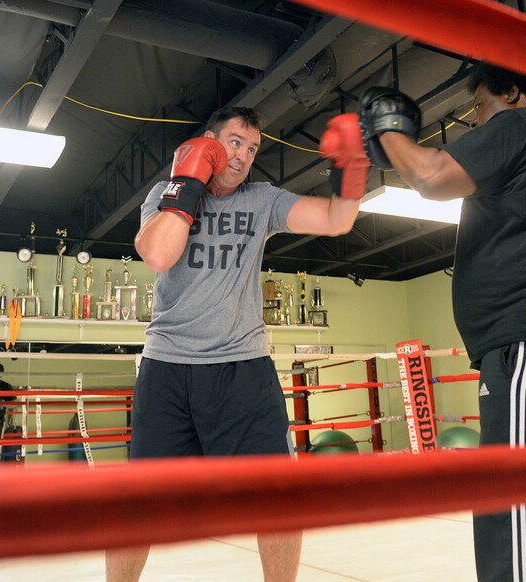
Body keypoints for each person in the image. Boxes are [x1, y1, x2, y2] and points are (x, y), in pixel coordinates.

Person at [360, 64, 526, 582]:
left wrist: (387, 126)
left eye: (480, 106)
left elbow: (431, 176)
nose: (477, 121)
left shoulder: (523, 125)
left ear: (512, 91)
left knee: (522, 507)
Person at [105, 105, 369, 582]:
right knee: (138, 503)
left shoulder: (261, 199)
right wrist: (187, 183)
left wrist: (352, 168)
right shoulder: (163, 195)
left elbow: (336, 220)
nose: (243, 155)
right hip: (168, 367)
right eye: (234, 142)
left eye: (252, 149)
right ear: (208, 141)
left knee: (277, 496)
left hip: (242, 366)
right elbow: (159, 253)